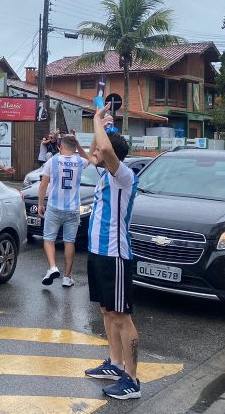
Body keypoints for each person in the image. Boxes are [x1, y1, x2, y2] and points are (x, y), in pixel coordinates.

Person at [83, 106, 142, 400]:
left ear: (112, 157)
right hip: (97, 252)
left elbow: (103, 147)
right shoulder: (104, 172)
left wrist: (97, 122)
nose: (97, 154)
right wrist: (102, 122)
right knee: (107, 311)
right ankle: (115, 364)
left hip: (115, 254)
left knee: (121, 316)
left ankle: (131, 379)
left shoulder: (124, 176)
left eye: (102, 153)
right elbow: (97, 149)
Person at [37, 134, 89, 287]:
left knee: (49, 239)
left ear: (60, 146)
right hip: (73, 208)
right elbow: (90, 159)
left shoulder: (52, 161)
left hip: (54, 207)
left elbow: (43, 185)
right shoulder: (79, 161)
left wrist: (41, 204)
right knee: (69, 241)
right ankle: (67, 277)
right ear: (74, 148)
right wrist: (79, 146)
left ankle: (52, 267)